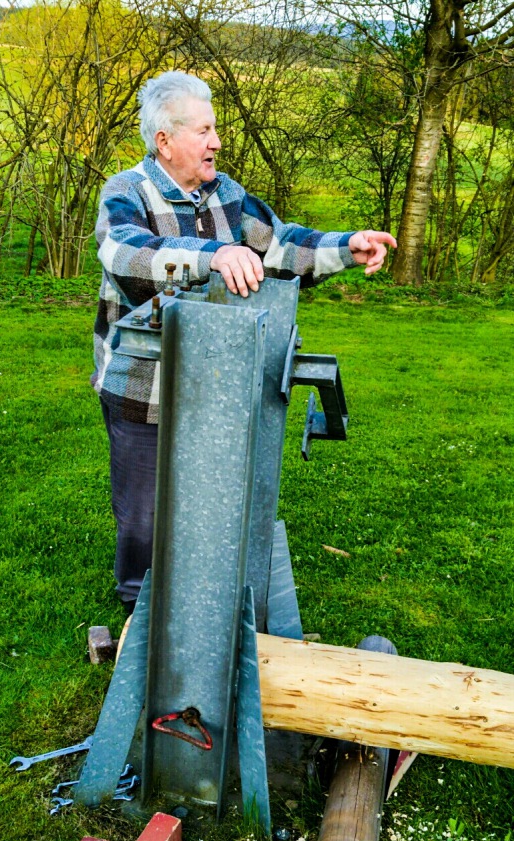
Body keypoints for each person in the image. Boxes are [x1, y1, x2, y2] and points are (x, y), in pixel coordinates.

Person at [92, 71, 396, 614]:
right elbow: (125, 255)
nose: (216, 142)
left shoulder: (227, 196)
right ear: (165, 140)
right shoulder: (126, 191)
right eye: (204, 131)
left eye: (216, 130)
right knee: (144, 515)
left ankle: (203, 599)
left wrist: (349, 246)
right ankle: (139, 617)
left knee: (210, 499)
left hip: (215, 384)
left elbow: (282, 246)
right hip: (145, 386)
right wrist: (213, 258)